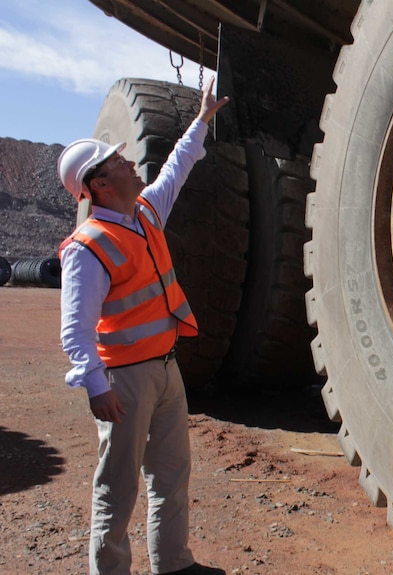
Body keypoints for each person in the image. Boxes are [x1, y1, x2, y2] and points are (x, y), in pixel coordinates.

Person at [57, 77, 229, 575]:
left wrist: (200, 121)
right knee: (118, 486)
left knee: (172, 476)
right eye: (120, 163)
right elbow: (75, 329)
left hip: (165, 368)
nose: (132, 164)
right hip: (123, 381)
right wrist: (94, 385)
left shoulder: (145, 214)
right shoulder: (88, 247)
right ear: (100, 185)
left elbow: (176, 169)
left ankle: (173, 565)